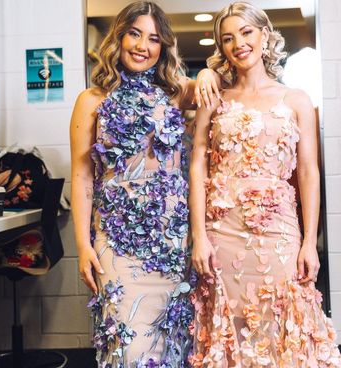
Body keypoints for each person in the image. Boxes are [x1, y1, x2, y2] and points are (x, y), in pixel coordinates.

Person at [189, 2, 341, 366]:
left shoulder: (297, 100)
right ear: (221, 48)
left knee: (285, 321)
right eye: (227, 38)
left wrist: (310, 242)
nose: (238, 43)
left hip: (280, 233)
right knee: (229, 328)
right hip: (221, 233)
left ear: (264, 35)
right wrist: (199, 236)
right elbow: (197, 166)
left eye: (246, 32)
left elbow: (308, 172)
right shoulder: (214, 99)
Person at [68, 2, 206, 365]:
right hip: (116, 241)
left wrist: (206, 74)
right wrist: (83, 245)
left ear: (164, 47)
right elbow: (82, 176)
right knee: (128, 345)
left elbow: (222, 79)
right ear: (119, 37)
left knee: (173, 343)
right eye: (134, 34)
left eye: (154, 38)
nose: (143, 45)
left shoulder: (175, 94)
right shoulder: (91, 101)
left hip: (171, 241)